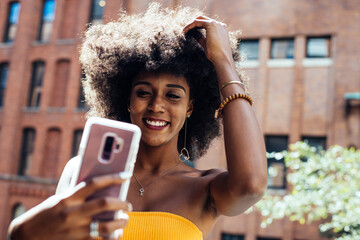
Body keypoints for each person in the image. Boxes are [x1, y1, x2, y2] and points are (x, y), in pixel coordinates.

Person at [8, 3, 267, 240]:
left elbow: (251, 185)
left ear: (190, 107)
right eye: (143, 92)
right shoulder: (83, 174)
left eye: (173, 95)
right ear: (127, 100)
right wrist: (21, 232)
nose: (156, 105)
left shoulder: (205, 188)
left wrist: (223, 61)